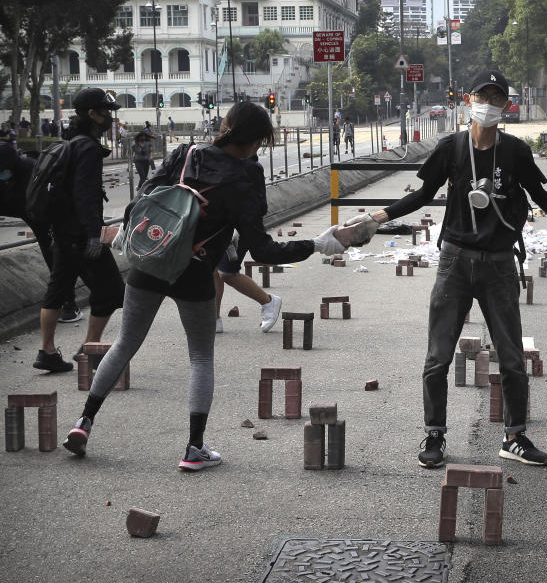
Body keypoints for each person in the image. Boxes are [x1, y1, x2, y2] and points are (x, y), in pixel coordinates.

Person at [343, 69, 547, 470]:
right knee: (438, 355)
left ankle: (515, 436)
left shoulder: (516, 152)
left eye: (497, 98)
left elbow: (541, 196)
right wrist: (375, 219)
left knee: (512, 356)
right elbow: (422, 195)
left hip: (500, 263)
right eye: (482, 96)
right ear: (468, 100)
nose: (489, 104)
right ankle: (434, 433)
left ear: (506, 104)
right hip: (455, 261)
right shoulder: (451, 147)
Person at [62, 101, 351, 469]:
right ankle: (194, 449)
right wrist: (314, 244)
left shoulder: (186, 153)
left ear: (227, 124)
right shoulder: (244, 179)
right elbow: (263, 248)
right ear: (257, 141)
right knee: (200, 357)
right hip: (194, 272)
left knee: (123, 345)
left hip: (150, 259)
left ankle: (83, 423)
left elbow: (143, 198)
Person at [36, 88, 126, 372]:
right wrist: (93, 235)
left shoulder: (70, 143)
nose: (110, 117)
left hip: (62, 232)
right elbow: (85, 195)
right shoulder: (87, 147)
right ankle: (90, 348)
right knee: (112, 291)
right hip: (80, 235)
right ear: (92, 114)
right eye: (106, 111)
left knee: (58, 290)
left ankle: (47, 351)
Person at [0, 142, 82, 323]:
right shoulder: (7, 172)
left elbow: (45, 202)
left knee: (55, 256)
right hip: (28, 211)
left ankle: (69, 303)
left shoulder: (31, 171)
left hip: (47, 214)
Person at [213, 139, 281, 334]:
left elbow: (261, 206)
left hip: (240, 229)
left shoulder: (251, 167)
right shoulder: (227, 162)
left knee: (227, 273)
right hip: (221, 226)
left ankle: (268, 301)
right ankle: (214, 319)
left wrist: (238, 222)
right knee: (213, 270)